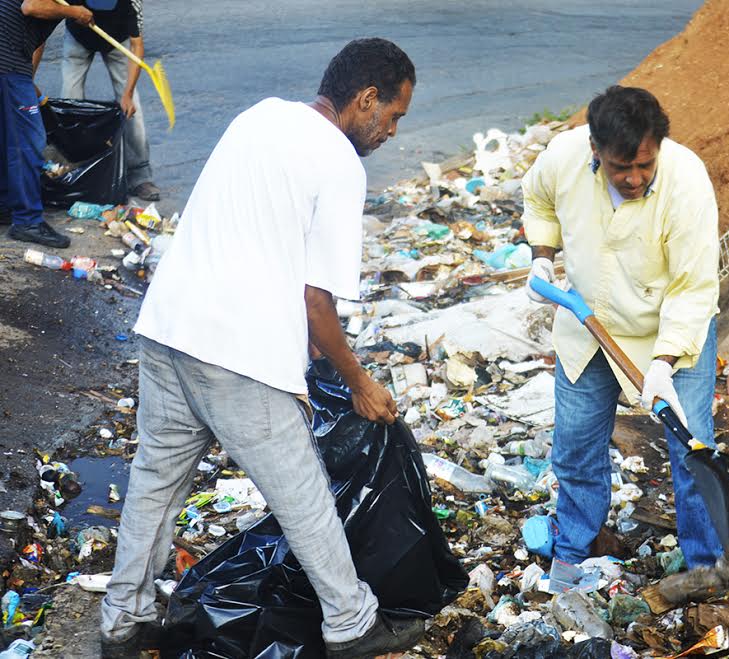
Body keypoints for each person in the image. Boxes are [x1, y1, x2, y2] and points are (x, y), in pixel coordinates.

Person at [100, 38, 421, 658]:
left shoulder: (259, 116)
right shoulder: (339, 162)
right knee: (303, 497)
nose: (393, 132)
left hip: (169, 327)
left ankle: (123, 621)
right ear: (366, 98)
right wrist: (358, 383)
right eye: (396, 115)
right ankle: (352, 625)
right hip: (237, 352)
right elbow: (317, 304)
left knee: (153, 486)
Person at [522, 85, 723, 591]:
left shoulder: (687, 182)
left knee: (691, 450)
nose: (634, 179)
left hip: (671, 330)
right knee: (575, 446)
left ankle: (705, 567)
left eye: (644, 166)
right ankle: (573, 553)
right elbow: (538, 199)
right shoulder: (564, 157)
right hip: (587, 321)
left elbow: (693, 287)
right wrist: (542, 255)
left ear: (658, 148)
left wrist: (662, 363)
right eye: (620, 168)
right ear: (595, 150)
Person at [1, 0, 91, 248]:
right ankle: (27, 221)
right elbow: (30, 6)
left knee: (7, 139)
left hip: (12, 65)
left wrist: (27, 81)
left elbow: (36, 43)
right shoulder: (66, 5)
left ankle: (6, 204)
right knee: (29, 142)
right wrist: (73, 12)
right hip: (7, 62)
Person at [61, 0, 160, 201]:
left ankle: (140, 176)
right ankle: (71, 169)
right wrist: (71, 11)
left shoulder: (131, 3)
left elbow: (137, 45)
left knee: (132, 108)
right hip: (78, 37)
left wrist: (127, 94)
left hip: (118, 40)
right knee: (69, 101)